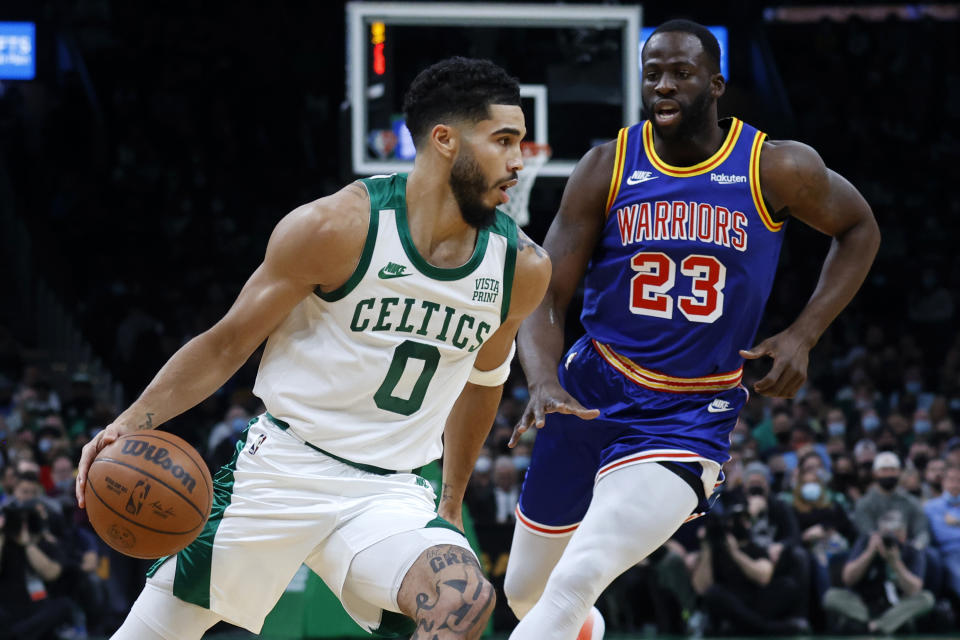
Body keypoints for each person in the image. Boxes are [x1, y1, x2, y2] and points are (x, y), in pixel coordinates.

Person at [74, 57, 550, 640]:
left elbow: (484, 380)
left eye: (520, 142)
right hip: (281, 470)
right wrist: (129, 421)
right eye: (504, 141)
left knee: (464, 601)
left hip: (391, 491)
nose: (518, 161)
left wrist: (449, 502)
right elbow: (226, 346)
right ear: (445, 140)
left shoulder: (521, 268)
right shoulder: (337, 227)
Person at [503, 19, 880, 639]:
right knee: (526, 594)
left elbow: (859, 227)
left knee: (577, 580)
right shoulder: (607, 166)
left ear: (716, 83)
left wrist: (805, 333)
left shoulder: (774, 166)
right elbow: (548, 292)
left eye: (681, 72)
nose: (665, 86)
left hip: (687, 415)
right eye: (653, 74)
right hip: (590, 393)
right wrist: (542, 377)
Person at [823, 510, 934, 634]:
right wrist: (869, 553)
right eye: (886, 534)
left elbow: (914, 590)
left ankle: (876, 625)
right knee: (831, 596)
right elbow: (847, 579)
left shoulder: (912, 551)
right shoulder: (865, 543)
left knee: (926, 598)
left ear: (904, 534)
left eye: (895, 533)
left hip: (896, 606)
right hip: (863, 604)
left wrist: (895, 563)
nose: (889, 538)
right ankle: (884, 624)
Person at [853, 451, 929, 548]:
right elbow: (866, 532)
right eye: (884, 470)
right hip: (875, 551)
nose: (888, 474)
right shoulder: (864, 503)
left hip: (908, 548)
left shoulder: (910, 501)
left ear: (899, 472)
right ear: (874, 473)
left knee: (930, 555)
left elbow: (922, 531)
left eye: (892, 470)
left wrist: (916, 545)